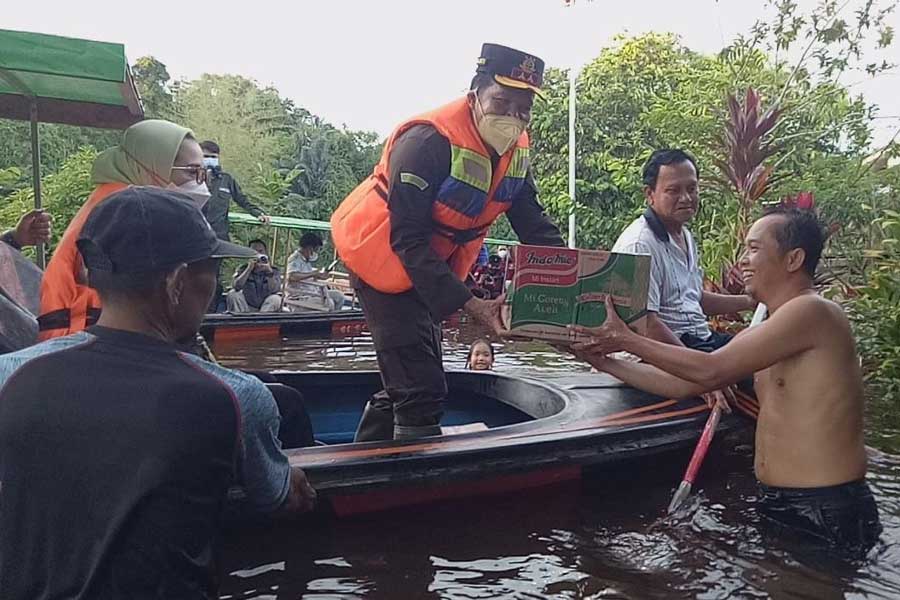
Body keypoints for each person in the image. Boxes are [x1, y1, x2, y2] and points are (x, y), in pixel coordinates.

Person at [0, 187, 316, 598]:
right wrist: (293, 481)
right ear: (177, 282)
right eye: (212, 270)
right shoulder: (235, 397)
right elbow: (281, 498)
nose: (214, 287)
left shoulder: (11, 374)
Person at [569, 208, 880, 556]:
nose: (743, 261)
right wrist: (600, 360)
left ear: (793, 259)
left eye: (754, 249)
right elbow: (686, 385)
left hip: (824, 505)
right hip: (783, 501)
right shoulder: (774, 327)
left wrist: (625, 339)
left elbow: (710, 370)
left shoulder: (813, 312)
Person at [331, 43, 565, 441]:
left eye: (523, 109)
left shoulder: (515, 151)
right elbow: (407, 239)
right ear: (475, 95)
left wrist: (582, 286)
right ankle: (408, 487)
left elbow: (534, 225)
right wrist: (473, 305)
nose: (512, 117)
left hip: (433, 269)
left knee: (409, 380)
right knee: (421, 390)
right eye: (501, 102)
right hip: (382, 256)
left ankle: (361, 463)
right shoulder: (426, 143)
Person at [38, 119, 210, 340]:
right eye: (190, 172)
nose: (199, 184)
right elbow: (89, 277)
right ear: (152, 164)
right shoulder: (122, 207)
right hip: (77, 333)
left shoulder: (114, 197)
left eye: (202, 174)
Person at [612, 149, 756, 353]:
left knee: (768, 355)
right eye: (673, 190)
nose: (686, 198)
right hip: (661, 355)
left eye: (692, 188)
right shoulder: (639, 245)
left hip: (699, 342)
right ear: (650, 195)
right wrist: (698, 369)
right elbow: (645, 325)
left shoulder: (684, 235)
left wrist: (752, 302)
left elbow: (694, 299)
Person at [200, 140, 270, 239]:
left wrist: (258, 214)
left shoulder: (226, 179)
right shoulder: (191, 179)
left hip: (219, 236)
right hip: (196, 235)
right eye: (206, 156)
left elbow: (242, 200)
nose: (210, 159)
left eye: (213, 157)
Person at [284, 232, 346, 312]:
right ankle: (326, 322)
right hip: (299, 297)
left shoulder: (306, 260)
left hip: (312, 293)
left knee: (339, 296)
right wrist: (313, 274)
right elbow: (292, 276)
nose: (317, 253)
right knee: (329, 303)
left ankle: (334, 320)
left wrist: (319, 276)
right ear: (310, 248)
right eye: (316, 249)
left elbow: (307, 276)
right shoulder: (295, 259)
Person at [227, 239, 283, 313]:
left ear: (265, 253)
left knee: (276, 299)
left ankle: (261, 322)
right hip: (246, 307)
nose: (257, 255)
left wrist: (269, 272)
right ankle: (241, 322)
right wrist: (249, 269)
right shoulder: (243, 268)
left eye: (260, 251)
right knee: (233, 294)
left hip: (266, 309)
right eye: (254, 251)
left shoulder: (274, 270)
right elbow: (236, 286)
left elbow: (275, 290)